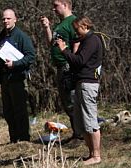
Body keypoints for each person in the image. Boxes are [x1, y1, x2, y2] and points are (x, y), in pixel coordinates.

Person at [56, 16, 103, 165]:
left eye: (77, 29)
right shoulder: (84, 41)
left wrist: (64, 50)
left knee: (90, 119)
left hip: (88, 84)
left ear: (84, 26)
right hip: (81, 83)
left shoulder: (92, 40)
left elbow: (80, 61)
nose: (76, 32)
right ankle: (91, 154)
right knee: (83, 121)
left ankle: (96, 156)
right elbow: (78, 61)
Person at [0, 8, 36, 143]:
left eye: (8, 18)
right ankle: (13, 138)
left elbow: (31, 56)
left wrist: (15, 64)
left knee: (20, 110)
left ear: (15, 19)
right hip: (5, 78)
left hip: (18, 78)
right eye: (4, 19)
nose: (5, 21)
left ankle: (24, 139)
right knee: (8, 110)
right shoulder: (1, 36)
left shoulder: (21, 36)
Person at [40, 0, 80, 138]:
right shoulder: (60, 24)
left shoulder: (73, 22)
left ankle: (80, 134)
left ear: (65, 5)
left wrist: (73, 65)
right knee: (66, 101)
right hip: (60, 67)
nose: (53, 9)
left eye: (56, 6)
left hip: (68, 67)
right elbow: (51, 43)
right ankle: (77, 133)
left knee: (72, 101)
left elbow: (77, 43)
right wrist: (47, 28)